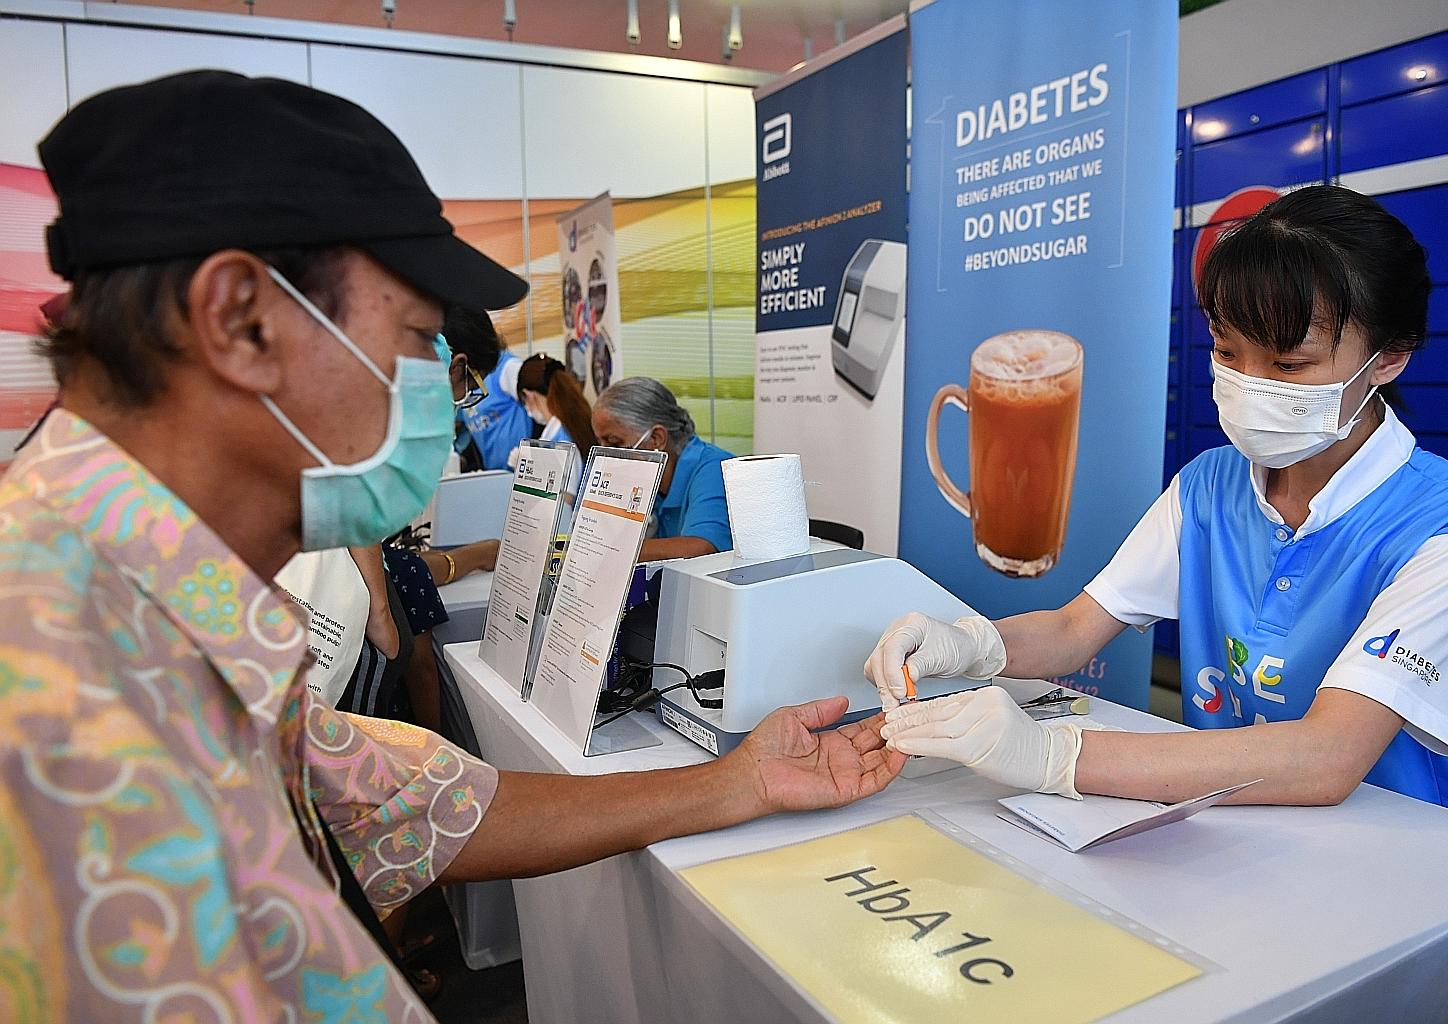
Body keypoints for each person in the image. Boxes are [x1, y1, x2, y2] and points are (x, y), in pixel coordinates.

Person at [0, 70, 904, 1021]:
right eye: (414, 339)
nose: (432, 392)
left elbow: (409, 802)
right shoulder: (60, 703)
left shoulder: (156, 617)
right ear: (241, 320)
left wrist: (737, 781)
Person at [869, 185, 1448, 1022]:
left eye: (1288, 365)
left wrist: (1054, 756)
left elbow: (1328, 758)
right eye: (1227, 350)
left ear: (1389, 359)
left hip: (1429, 905)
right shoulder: (1211, 485)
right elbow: (1075, 628)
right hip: (1241, 854)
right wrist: (967, 643)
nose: (1249, 384)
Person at [592, 376, 735, 561]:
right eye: (601, 444)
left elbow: (699, 548)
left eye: (614, 443)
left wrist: (602, 550)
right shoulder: (647, 477)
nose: (607, 456)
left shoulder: (715, 468)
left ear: (657, 438)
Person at [445, 304, 533, 471]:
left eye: (474, 388)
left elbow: (541, 396)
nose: (470, 393)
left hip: (513, 471)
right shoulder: (455, 387)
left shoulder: (506, 369)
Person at [517, 352, 597, 458]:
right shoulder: (575, 422)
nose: (527, 409)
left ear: (528, 394)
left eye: (524, 401)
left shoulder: (561, 439)